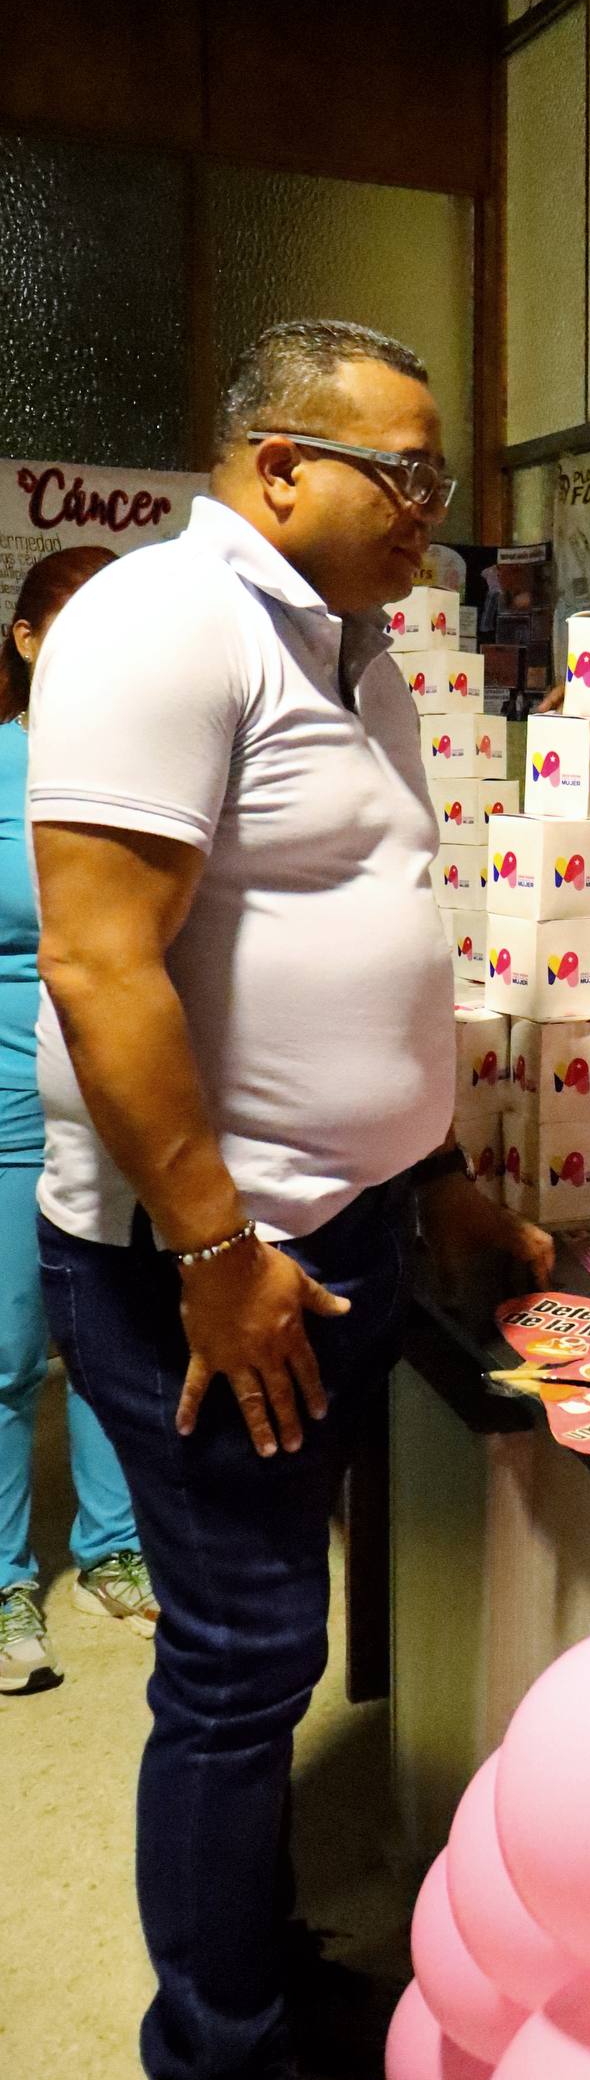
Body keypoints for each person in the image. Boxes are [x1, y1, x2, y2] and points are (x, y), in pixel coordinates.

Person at [29, 318, 552, 2080]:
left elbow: (372, 936)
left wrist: (448, 1178)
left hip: (340, 1230)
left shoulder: (353, 648)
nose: (434, 509)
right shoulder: (162, 628)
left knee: (275, 1644)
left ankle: (259, 1980)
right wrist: (213, 1246)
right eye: (403, 474)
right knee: (244, 1666)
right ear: (276, 467)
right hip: (209, 1262)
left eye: (436, 476)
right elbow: (101, 962)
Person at [0, 544, 159, 1696]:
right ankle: (5, 1577)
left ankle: (114, 1547)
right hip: (12, 1096)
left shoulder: (151, 767)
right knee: (6, 1352)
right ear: (23, 641)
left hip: (124, 1091)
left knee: (117, 1332)